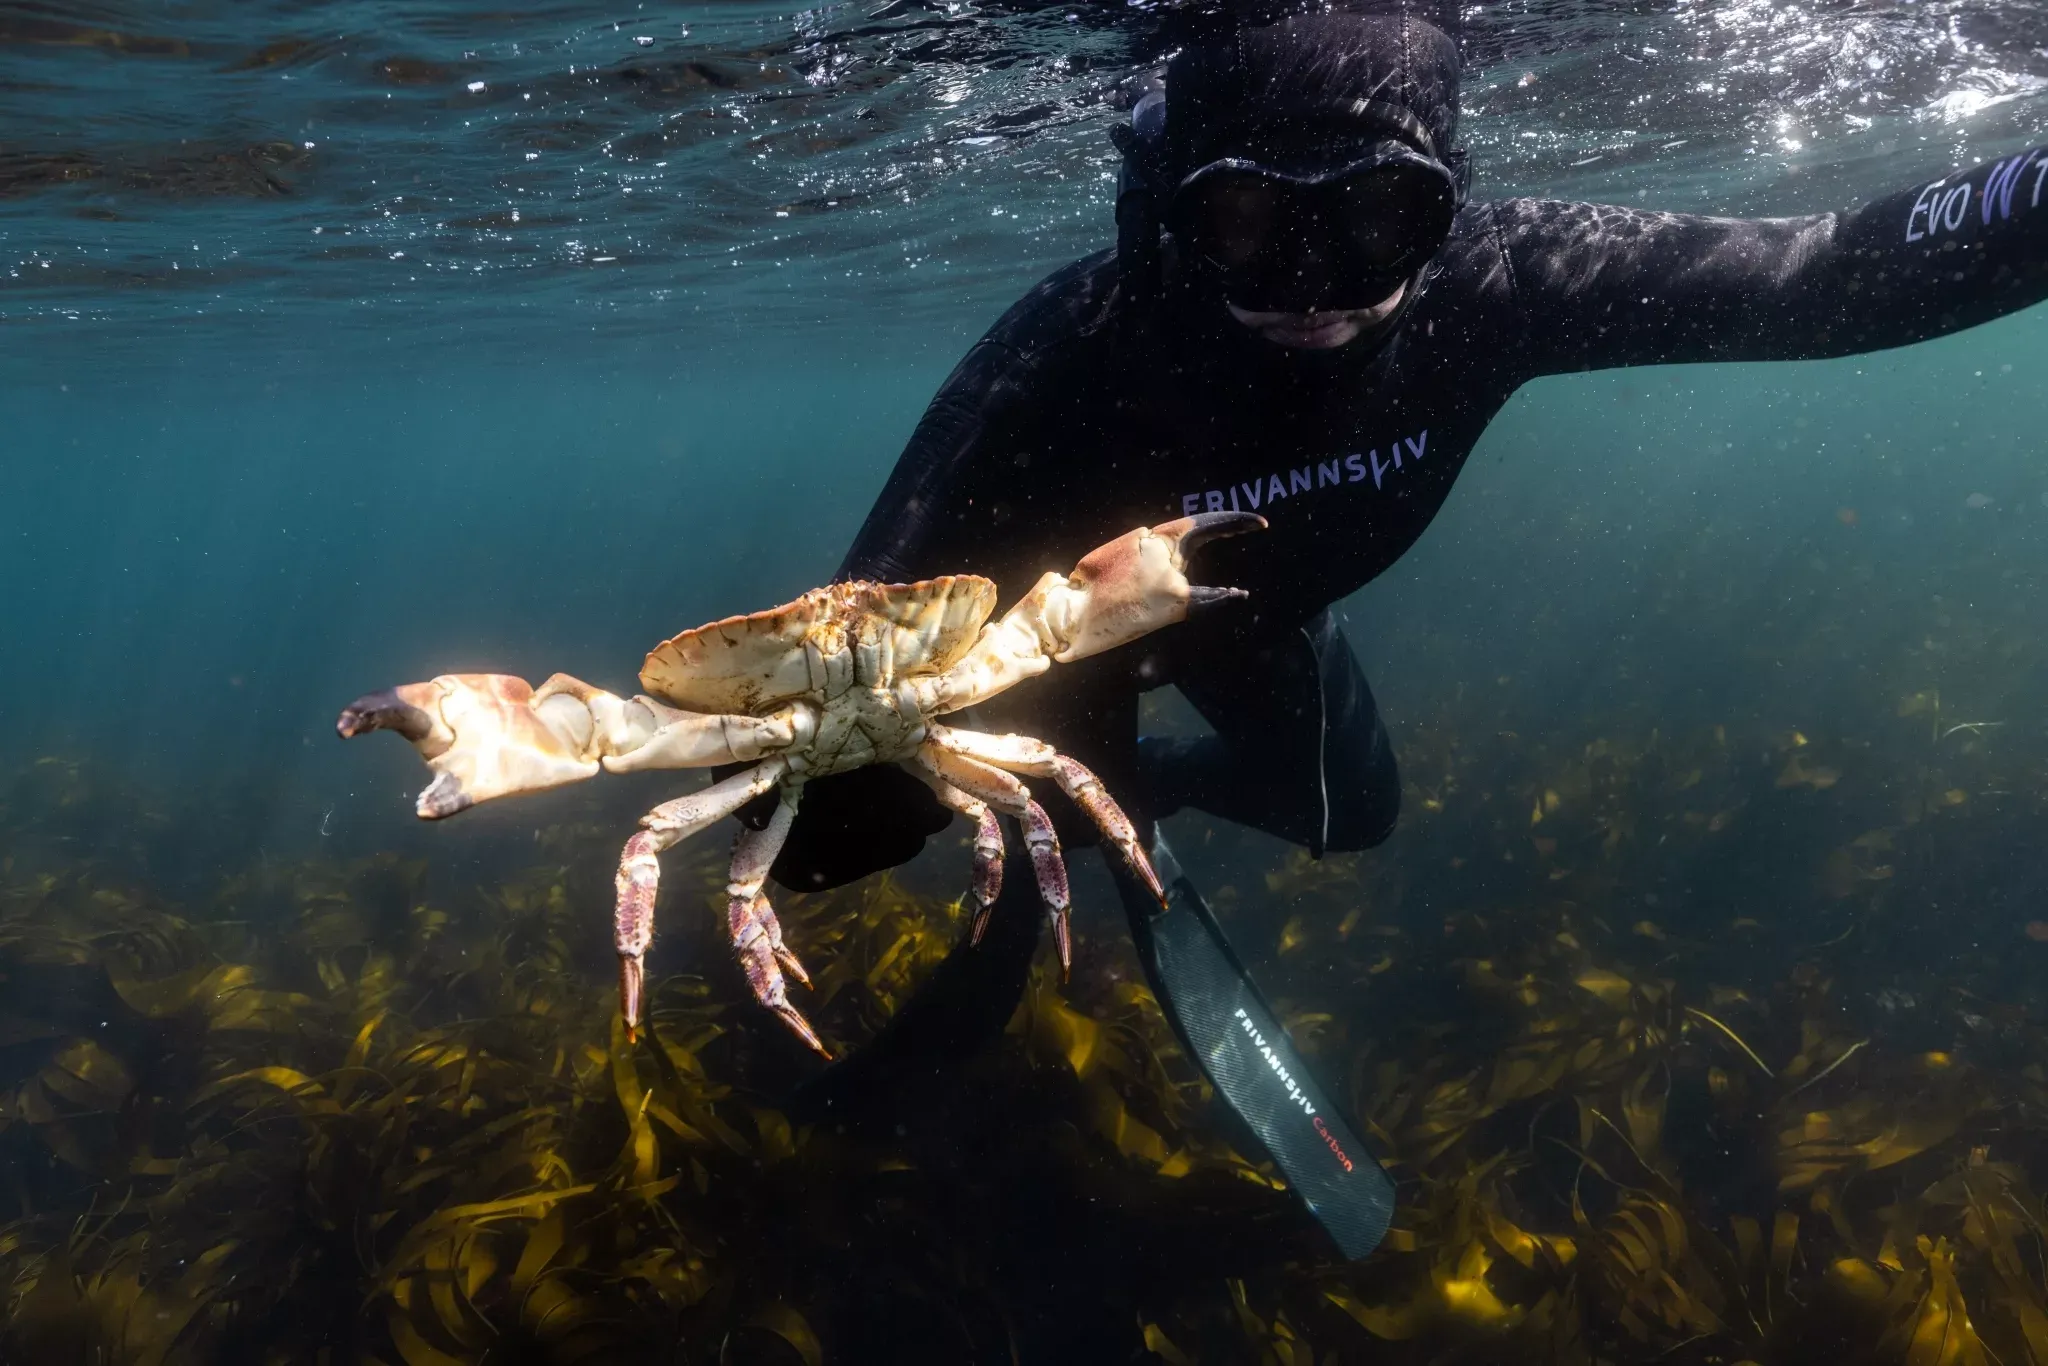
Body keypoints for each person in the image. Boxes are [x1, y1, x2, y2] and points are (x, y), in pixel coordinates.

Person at [755, 0, 2048, 912]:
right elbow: (862, 615)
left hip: (1251, 619)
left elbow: (1824, 273)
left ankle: (1144, 799)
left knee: (1348, 815)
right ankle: (1094, 832)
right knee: (891, 846)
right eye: (1247, 222)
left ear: (1449, 201)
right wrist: (832, 780)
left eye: (1379, 218)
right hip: (1037, 652)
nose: (1313, 286)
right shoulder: (1071, 348)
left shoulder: (1503, 281)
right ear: (1173, 216)